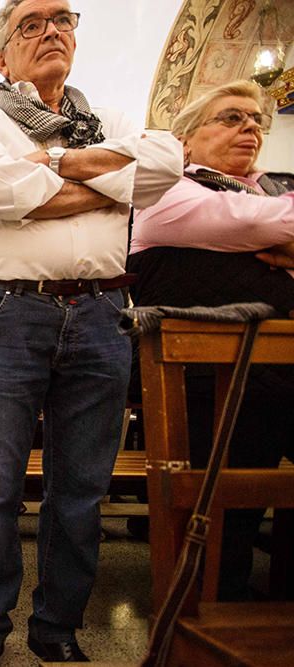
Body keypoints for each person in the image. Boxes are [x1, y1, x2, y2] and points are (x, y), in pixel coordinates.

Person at [0, 2, 182, 664]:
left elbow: (164, 166)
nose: (51, 30)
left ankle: (57, 622)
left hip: (103, 312)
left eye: (62, 18)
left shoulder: (111, 120)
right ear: (2, 58)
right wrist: (112, 184)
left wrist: (52, 160)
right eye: (31, 22)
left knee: (80, 485)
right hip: (7, 312)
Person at [128, 79, 294, 601]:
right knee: (219, 506)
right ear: (184, 141)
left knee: (260, 499)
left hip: (275, 373)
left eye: (256, 121)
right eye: (230, 117)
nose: (249, 127)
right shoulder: (167, 193)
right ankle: (203, 610)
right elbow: (239, 219)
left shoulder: (273, 189)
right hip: (202, 379)